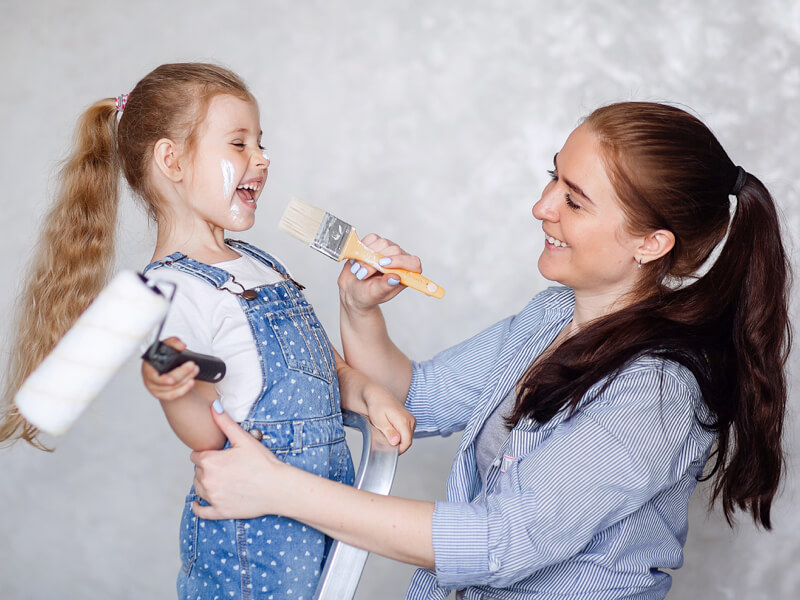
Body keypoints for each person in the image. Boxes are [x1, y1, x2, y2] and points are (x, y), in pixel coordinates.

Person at [180, 101, 791, 599]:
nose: (541, 207)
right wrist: (360, 310)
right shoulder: (551, 315)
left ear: (652, 243)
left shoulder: (655, 394)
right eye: (553, 175)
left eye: (574, 201)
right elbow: (410, 398)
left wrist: (280, 489)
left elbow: (498, 543)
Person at [0, 62, 415, 600]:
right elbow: (207, 434)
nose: (261, 160)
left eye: (260, 144)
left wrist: (370, 394)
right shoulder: (169, 290)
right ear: (170, 160)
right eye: (239, 144)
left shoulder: (260, 263)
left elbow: (328, 369)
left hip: (322, 509)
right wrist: (176, 393)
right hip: (252, 539)